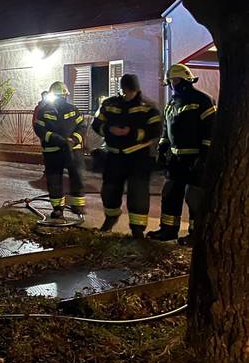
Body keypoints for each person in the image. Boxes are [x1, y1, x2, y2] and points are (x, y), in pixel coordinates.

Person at [147, 64, 216, 245]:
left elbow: (210, 130)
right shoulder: (171, 103)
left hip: (195, 159)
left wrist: (204, 156)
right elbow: (166, 130)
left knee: (194, 199)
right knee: (170, 195)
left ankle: (197, 234)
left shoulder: (203, 100)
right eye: (170, 82)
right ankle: (168, 230)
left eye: (175, 81)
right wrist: (162, 149)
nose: (172, 85)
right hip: (175, 159)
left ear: (186, 80)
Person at [91, 74, 163, 237]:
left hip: (138, 158)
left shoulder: (148, 107)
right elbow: (97, 124)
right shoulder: (109, 105)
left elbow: (156, 130)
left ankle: (137, 230)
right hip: (114, 157)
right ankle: (110, 218)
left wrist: (131, 133)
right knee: (109, 191)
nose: (127, 94)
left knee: (138, 194)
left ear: (136, 89)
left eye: (130, 91)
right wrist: (109, 130)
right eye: (125, 90)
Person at [33, 82, 87, 219]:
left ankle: (77, 205)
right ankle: (58, 208)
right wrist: (58, 139)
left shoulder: (73, 110)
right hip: (54, 151)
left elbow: (82, 126)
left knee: (76, 177)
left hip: (72, 150)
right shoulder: (44, 111)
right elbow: (39, 129)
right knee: (55, 179)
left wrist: (73, 140)